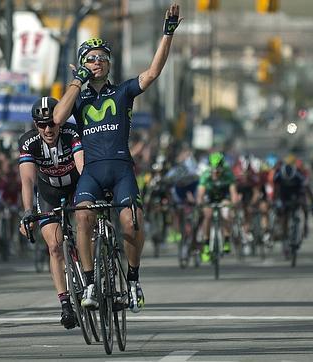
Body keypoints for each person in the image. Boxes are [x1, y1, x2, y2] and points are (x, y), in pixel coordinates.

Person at [52, 3, 182, 313]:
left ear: (110, 64)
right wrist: (77, 80)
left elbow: (151, 74)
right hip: (93, 173)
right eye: (90, 59)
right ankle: (90, 282)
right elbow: (56, 118)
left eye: (102, 58)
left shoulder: (121, 92)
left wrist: (168, 34)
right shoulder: (79, 97)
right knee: (82, 216)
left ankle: (134, 279)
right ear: (83, 64)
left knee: (131, 219)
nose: (97, 62)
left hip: (122, 169)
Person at [18, 97, 84, 329]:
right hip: (49, 194)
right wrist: (27, 211)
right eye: (41, 124)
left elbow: (81, 165)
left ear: (60, 120)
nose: (47, 129)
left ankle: (94, 275)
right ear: (35, 125)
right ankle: (65, 303)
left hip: (77, 186)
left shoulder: (71, 132)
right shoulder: (29, 142)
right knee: (55, 246)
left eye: (52, 123)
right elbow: (27, 179)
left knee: (88, 221)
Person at [195, 152, 239, 261]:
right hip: (209, 197)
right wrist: (200, 203)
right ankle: (206, 244)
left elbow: (233, 193)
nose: (215, 173)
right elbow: (200, 194)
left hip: (223, 197)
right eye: (213, 171)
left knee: (226, 214)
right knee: (208, 215)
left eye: (218, 171)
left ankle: (227, 240)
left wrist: (232, 204)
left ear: (222, 168)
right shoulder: (205, 175)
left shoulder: (228, 174)